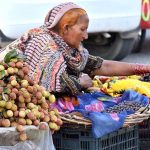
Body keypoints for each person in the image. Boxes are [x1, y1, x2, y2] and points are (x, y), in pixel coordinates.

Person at [2, 2, 150, 95]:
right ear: (66, 28)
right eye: (82, 29)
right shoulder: (42, 42)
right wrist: (81, 82)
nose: (86, 36)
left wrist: (144, 68)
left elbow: (103, 65)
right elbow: (54, 82)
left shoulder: (68, 48)